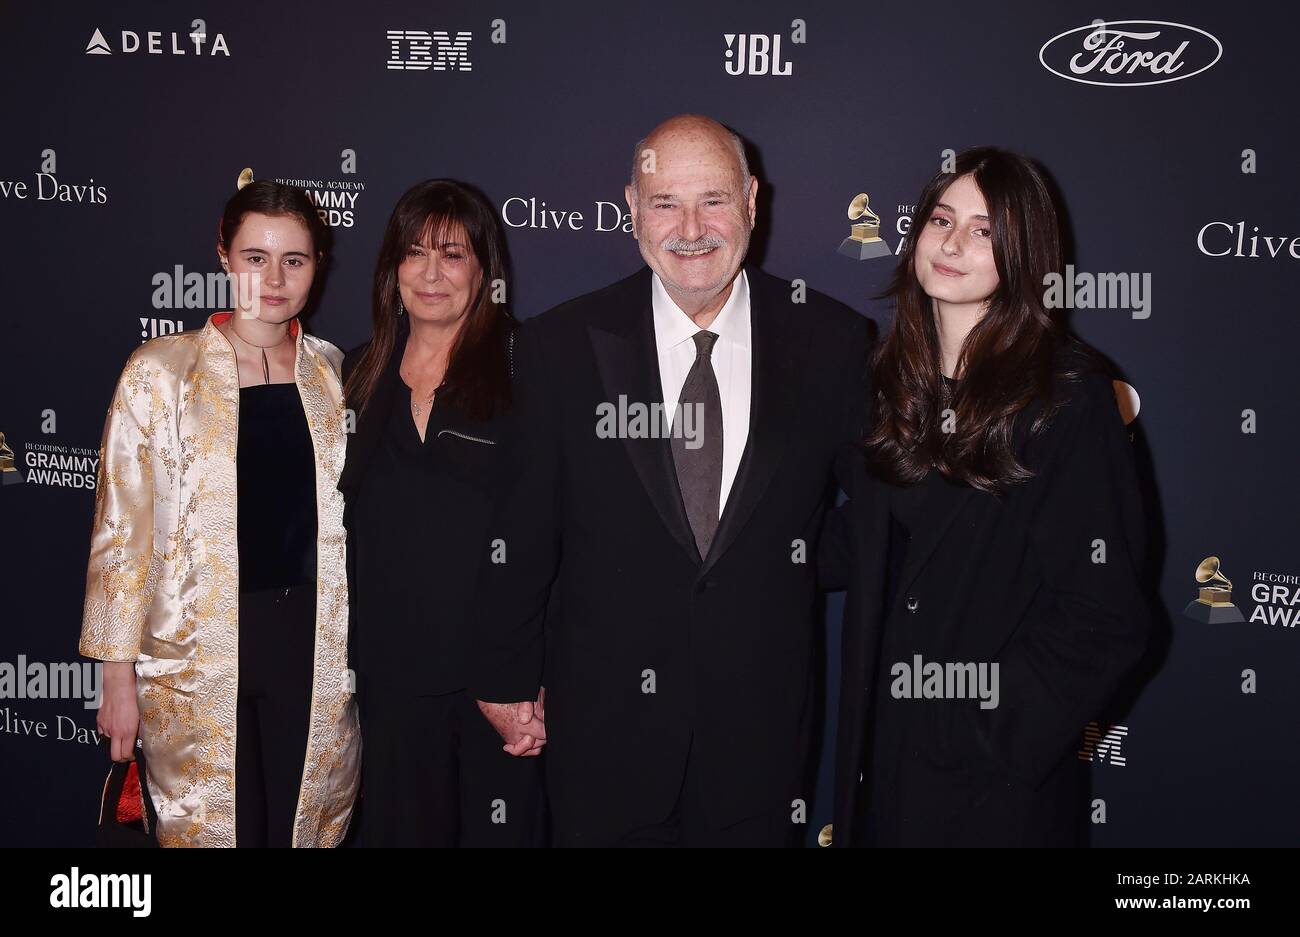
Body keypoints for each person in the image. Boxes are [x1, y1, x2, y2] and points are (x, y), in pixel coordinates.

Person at [473, 114, 869, 846]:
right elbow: (522, 523)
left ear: (753, 200)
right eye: (664, 203)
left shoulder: (833, 341)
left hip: (761, 734)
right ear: (631, 207)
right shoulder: (563, 345)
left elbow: (876, 508)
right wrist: (503, 674)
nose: (691, 227)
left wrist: (792, 557)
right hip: (602, 733)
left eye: (714, 199)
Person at [825, 147, 1150, 847]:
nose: (951, 243)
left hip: (989, 791)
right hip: (878, 766)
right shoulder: (890, 379)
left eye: (983, 229)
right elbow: (866, 543)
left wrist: (974, 728)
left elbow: (1106, 615)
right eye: (942, 219)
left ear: (1023, 253)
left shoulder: (1068, 396)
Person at [81, 180, 360, 847]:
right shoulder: (159, 373)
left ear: (317, 266)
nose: (274, 277)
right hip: (195, 655)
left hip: (311, 649)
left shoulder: (333, 373)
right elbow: (121, 533)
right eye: (255, 256)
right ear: (223, 257)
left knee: (299, 831)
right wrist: (115, 675)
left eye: (294, 259)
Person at [339, 179, 541, 846]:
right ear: (390, 267)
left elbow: (557, 535)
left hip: (496, 686)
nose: (431, 274)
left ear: (485, 270)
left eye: (452, 255)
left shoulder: (529, 371)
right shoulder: (357, 374)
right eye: (415, 252)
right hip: (388, 682)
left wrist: (533, 681)